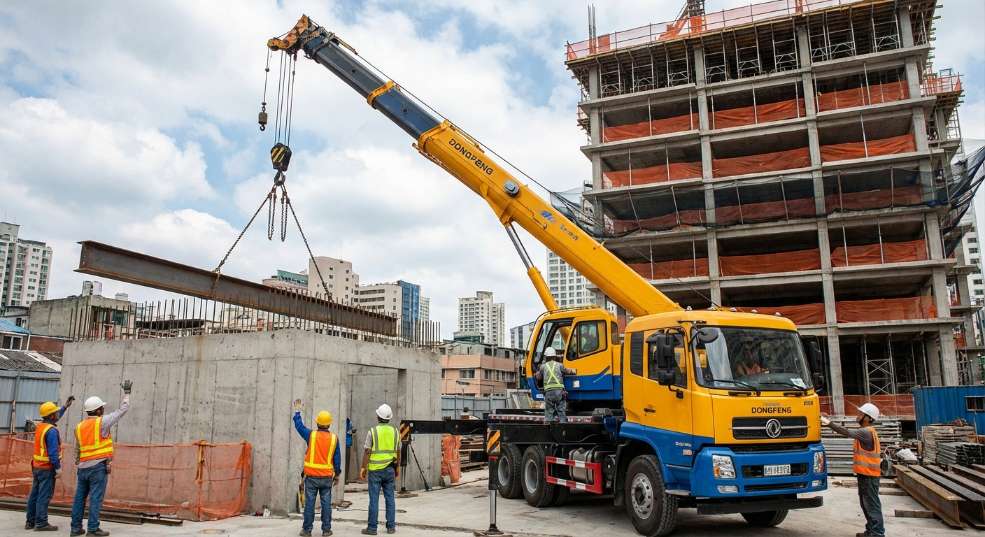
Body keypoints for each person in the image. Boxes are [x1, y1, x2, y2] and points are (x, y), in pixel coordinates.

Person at [70, 380, 132, 537]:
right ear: (98, 410)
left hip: (82, 468)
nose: (103, 410)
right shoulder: (102, 422)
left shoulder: (79, 426)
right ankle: (92, 529)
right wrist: (127, 394)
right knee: (96, 498)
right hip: (97, 467)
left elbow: (78, 448)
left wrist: (79, 462)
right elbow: (122, 410)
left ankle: (75, 529)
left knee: (79, 498)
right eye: (102, 408)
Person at [821, 403, 883, 537]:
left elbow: (846, 432)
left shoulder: (866, 432)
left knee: (871, 505)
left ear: (868, 418)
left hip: (869, 476)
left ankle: (877, 533)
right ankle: (871, 531)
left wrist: (827, 422)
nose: (858, 415)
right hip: (866, 474)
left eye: (861, 414)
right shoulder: (866, 431)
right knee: (866, 504)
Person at [293, 399, 341, 537]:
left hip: (312, 477)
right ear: (329, 424)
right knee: (326, 504)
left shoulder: (311, 435)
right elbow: (337, 459)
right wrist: (337, 474)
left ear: (317, 423)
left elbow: (299, 426)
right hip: (326, 478)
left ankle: (307, 530)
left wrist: (297, 412)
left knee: (310, 504)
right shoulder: (334, 438)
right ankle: (326, 530)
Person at [26, 396, 74, 531]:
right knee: (44, 496)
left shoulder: (41, 426)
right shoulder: (52, 431)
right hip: (47, 468)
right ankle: (41, 523)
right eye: (55, 412)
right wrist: (58, 468)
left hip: (37, 466)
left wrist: (65, 407)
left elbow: (54, 418)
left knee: (34, 495)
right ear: (52, 416)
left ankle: (30, 522)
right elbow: (53, 453)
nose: (57, 414)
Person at [360, 404, 400, 535]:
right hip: (390, 469)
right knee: (390, 499)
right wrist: (397, 467)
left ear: (378, 417)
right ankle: (391, 527)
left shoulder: (373, 431)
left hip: (375, 471)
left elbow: (367, 452)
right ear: (389, 418)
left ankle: (372, 528)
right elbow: (398, 451)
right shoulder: (395, 431)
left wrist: (363, 468)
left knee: (374, 499)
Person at [535, 348, 576, 423]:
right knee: (561, 411)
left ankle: (549, 426)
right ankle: (563, 426)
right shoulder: (560, 365)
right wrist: (574, 370)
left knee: (549, 412)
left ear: (546, 357)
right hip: (559, 392)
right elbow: (567, 371)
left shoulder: (543, 367)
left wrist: (537, 372)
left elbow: (538, 377)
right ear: (554, 356)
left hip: (548, 392)